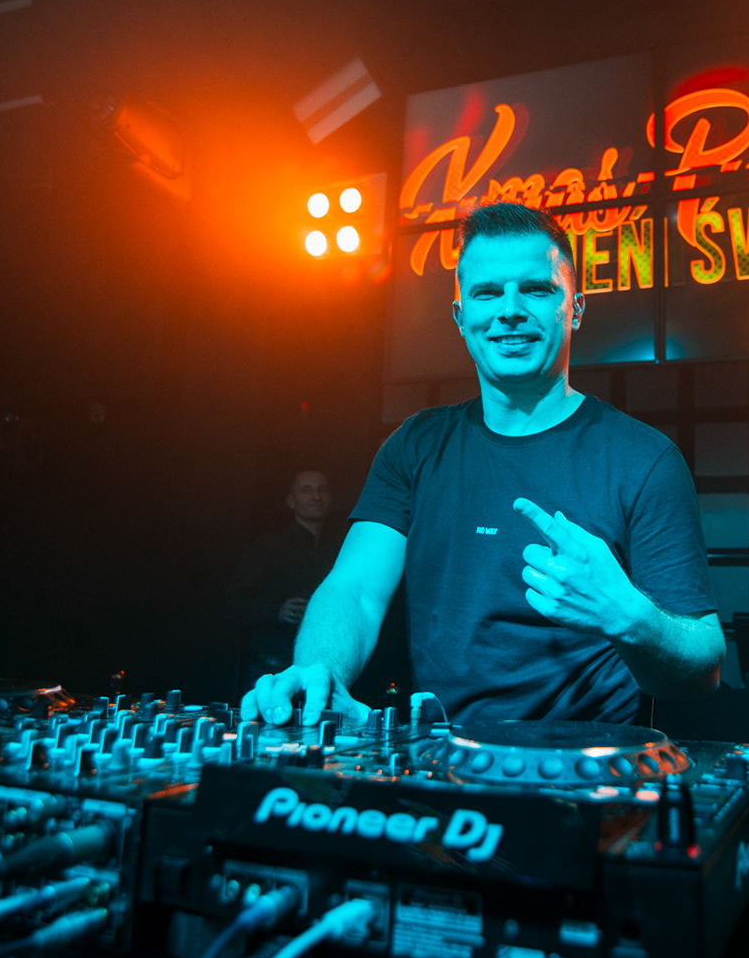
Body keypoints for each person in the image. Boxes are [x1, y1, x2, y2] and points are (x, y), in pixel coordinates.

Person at [246, 203, 722, 729]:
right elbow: (354, 590)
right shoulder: (415, 447)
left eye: (536, 290)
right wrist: (318, 670)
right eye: (487, 293)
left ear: (576, 309)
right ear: (460, 317)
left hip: (585, 765)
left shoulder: (643, 459)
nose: (510, 310)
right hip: (441, 759)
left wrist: (628, 616)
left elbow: (704, 666)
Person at [220, 469, 344, 678]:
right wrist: (277, 611)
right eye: (307, 490)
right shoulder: (269, 545)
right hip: (271, 666)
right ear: (291, 501)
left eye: (322, 490)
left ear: (331, 499)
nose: (316, 496)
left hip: (323, 667)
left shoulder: (340, 550)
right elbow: (231, 604)